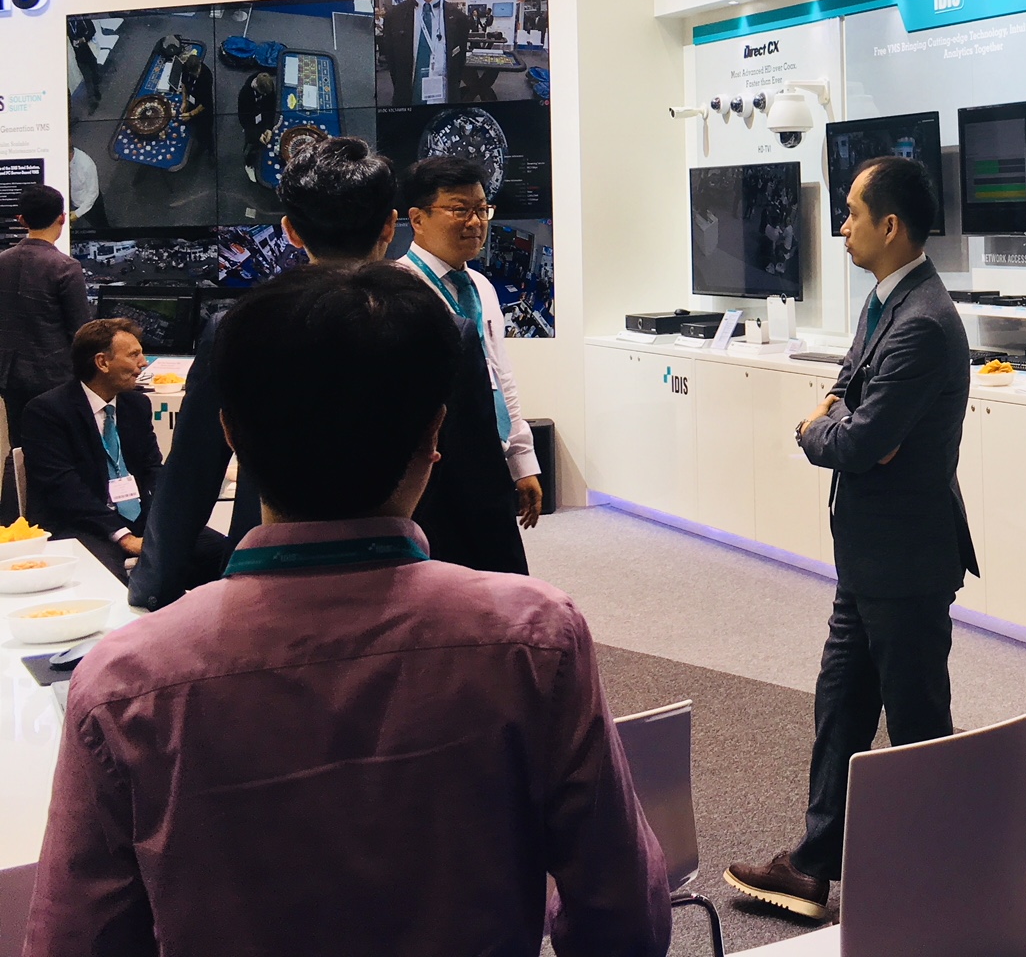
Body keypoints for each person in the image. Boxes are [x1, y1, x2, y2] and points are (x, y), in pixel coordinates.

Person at [23, 265, 671, 957]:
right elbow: (622, 911)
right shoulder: (534, 638)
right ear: (434, 435)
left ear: (229, 433)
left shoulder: (124, 682)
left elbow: (76, 936)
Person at [726, 156, 977, 920]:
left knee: (918, 725)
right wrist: (839, 409)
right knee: (840, 708)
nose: (841, 229)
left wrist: (814, 430)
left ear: (889, 226)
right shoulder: (885, 302)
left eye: (852, 215)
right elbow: (849, 382)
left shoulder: (924, 322)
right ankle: (813, 866)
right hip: (868, 559)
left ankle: (945, 885)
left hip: (906, 561)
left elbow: (862, 441)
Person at [130, 139, 527, 611]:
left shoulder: (237, 327)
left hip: (268, 569)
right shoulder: (441, 328)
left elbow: (191, 474)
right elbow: (480, 480)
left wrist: (152, 589)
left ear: (291, 231)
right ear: (391, 225)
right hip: (407, 566)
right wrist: (513, 594)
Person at [399, 156, 543, 527]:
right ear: (417, 219)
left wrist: (522, 461)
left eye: (481, 209)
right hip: (430, 468)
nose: (475, 222)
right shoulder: (397, 289)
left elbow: (500, 376)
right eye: (460, 210)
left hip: (489, 458)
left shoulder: (482, 287)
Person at [21, 319, 222, 582]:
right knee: (107, 575)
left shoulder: (136, 405)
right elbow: (64, 488)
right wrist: (123, 536)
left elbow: (152, 469)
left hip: (139, 518)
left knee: (220, 553)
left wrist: (165, 522)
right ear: (102, 362)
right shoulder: (47, 411)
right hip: (82, 524)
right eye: (134, 355)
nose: (144, 363)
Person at [0, 183, 90, 518]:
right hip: (56, 378)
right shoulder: (65, 267)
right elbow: (81, 333)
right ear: (63, 218)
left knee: (21, 449)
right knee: (62, 452)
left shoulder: (2, 262)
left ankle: (18, 519)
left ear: (21, 219)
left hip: (10, 377)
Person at [381, 0, 470, 105]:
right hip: (407, 103)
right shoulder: (394, 16)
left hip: (446, 103)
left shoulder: (459, 18)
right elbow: (393, 64)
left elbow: (459, 64)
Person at [173, 45, 214, 169]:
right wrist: (184, 101)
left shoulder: (206, 77)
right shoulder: (186, 68)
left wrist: (191, 114)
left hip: (204, 107)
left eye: (195, 72)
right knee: (191, 125)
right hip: (192, 100)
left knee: (205, 131)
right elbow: (184, 84)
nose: (193, 74)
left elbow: (204, 104)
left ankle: (210, 151)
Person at [238, 68, 278, 182]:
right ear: (257, 87)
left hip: (262, 118)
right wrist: (257, 134)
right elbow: (244, 120)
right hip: (251, 123)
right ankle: (249, 164)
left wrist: (268, 128)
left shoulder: (268, 86)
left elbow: (271, 108)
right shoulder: (245, 94)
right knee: (252, 144)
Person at [67, 16, 102, 113]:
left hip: (90, 52)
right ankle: (92, 101)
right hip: (79, 57)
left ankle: (96, 90)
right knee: (87, 79)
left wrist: (82, 39)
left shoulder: (83, 18)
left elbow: (92, 31)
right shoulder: (67, 24)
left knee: (95, 75)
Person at [67, 146, 104, 233]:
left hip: (90, 203)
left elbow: (93, 193)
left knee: (100, 226)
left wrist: (78, 213)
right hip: (74, 199)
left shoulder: (86, 165)